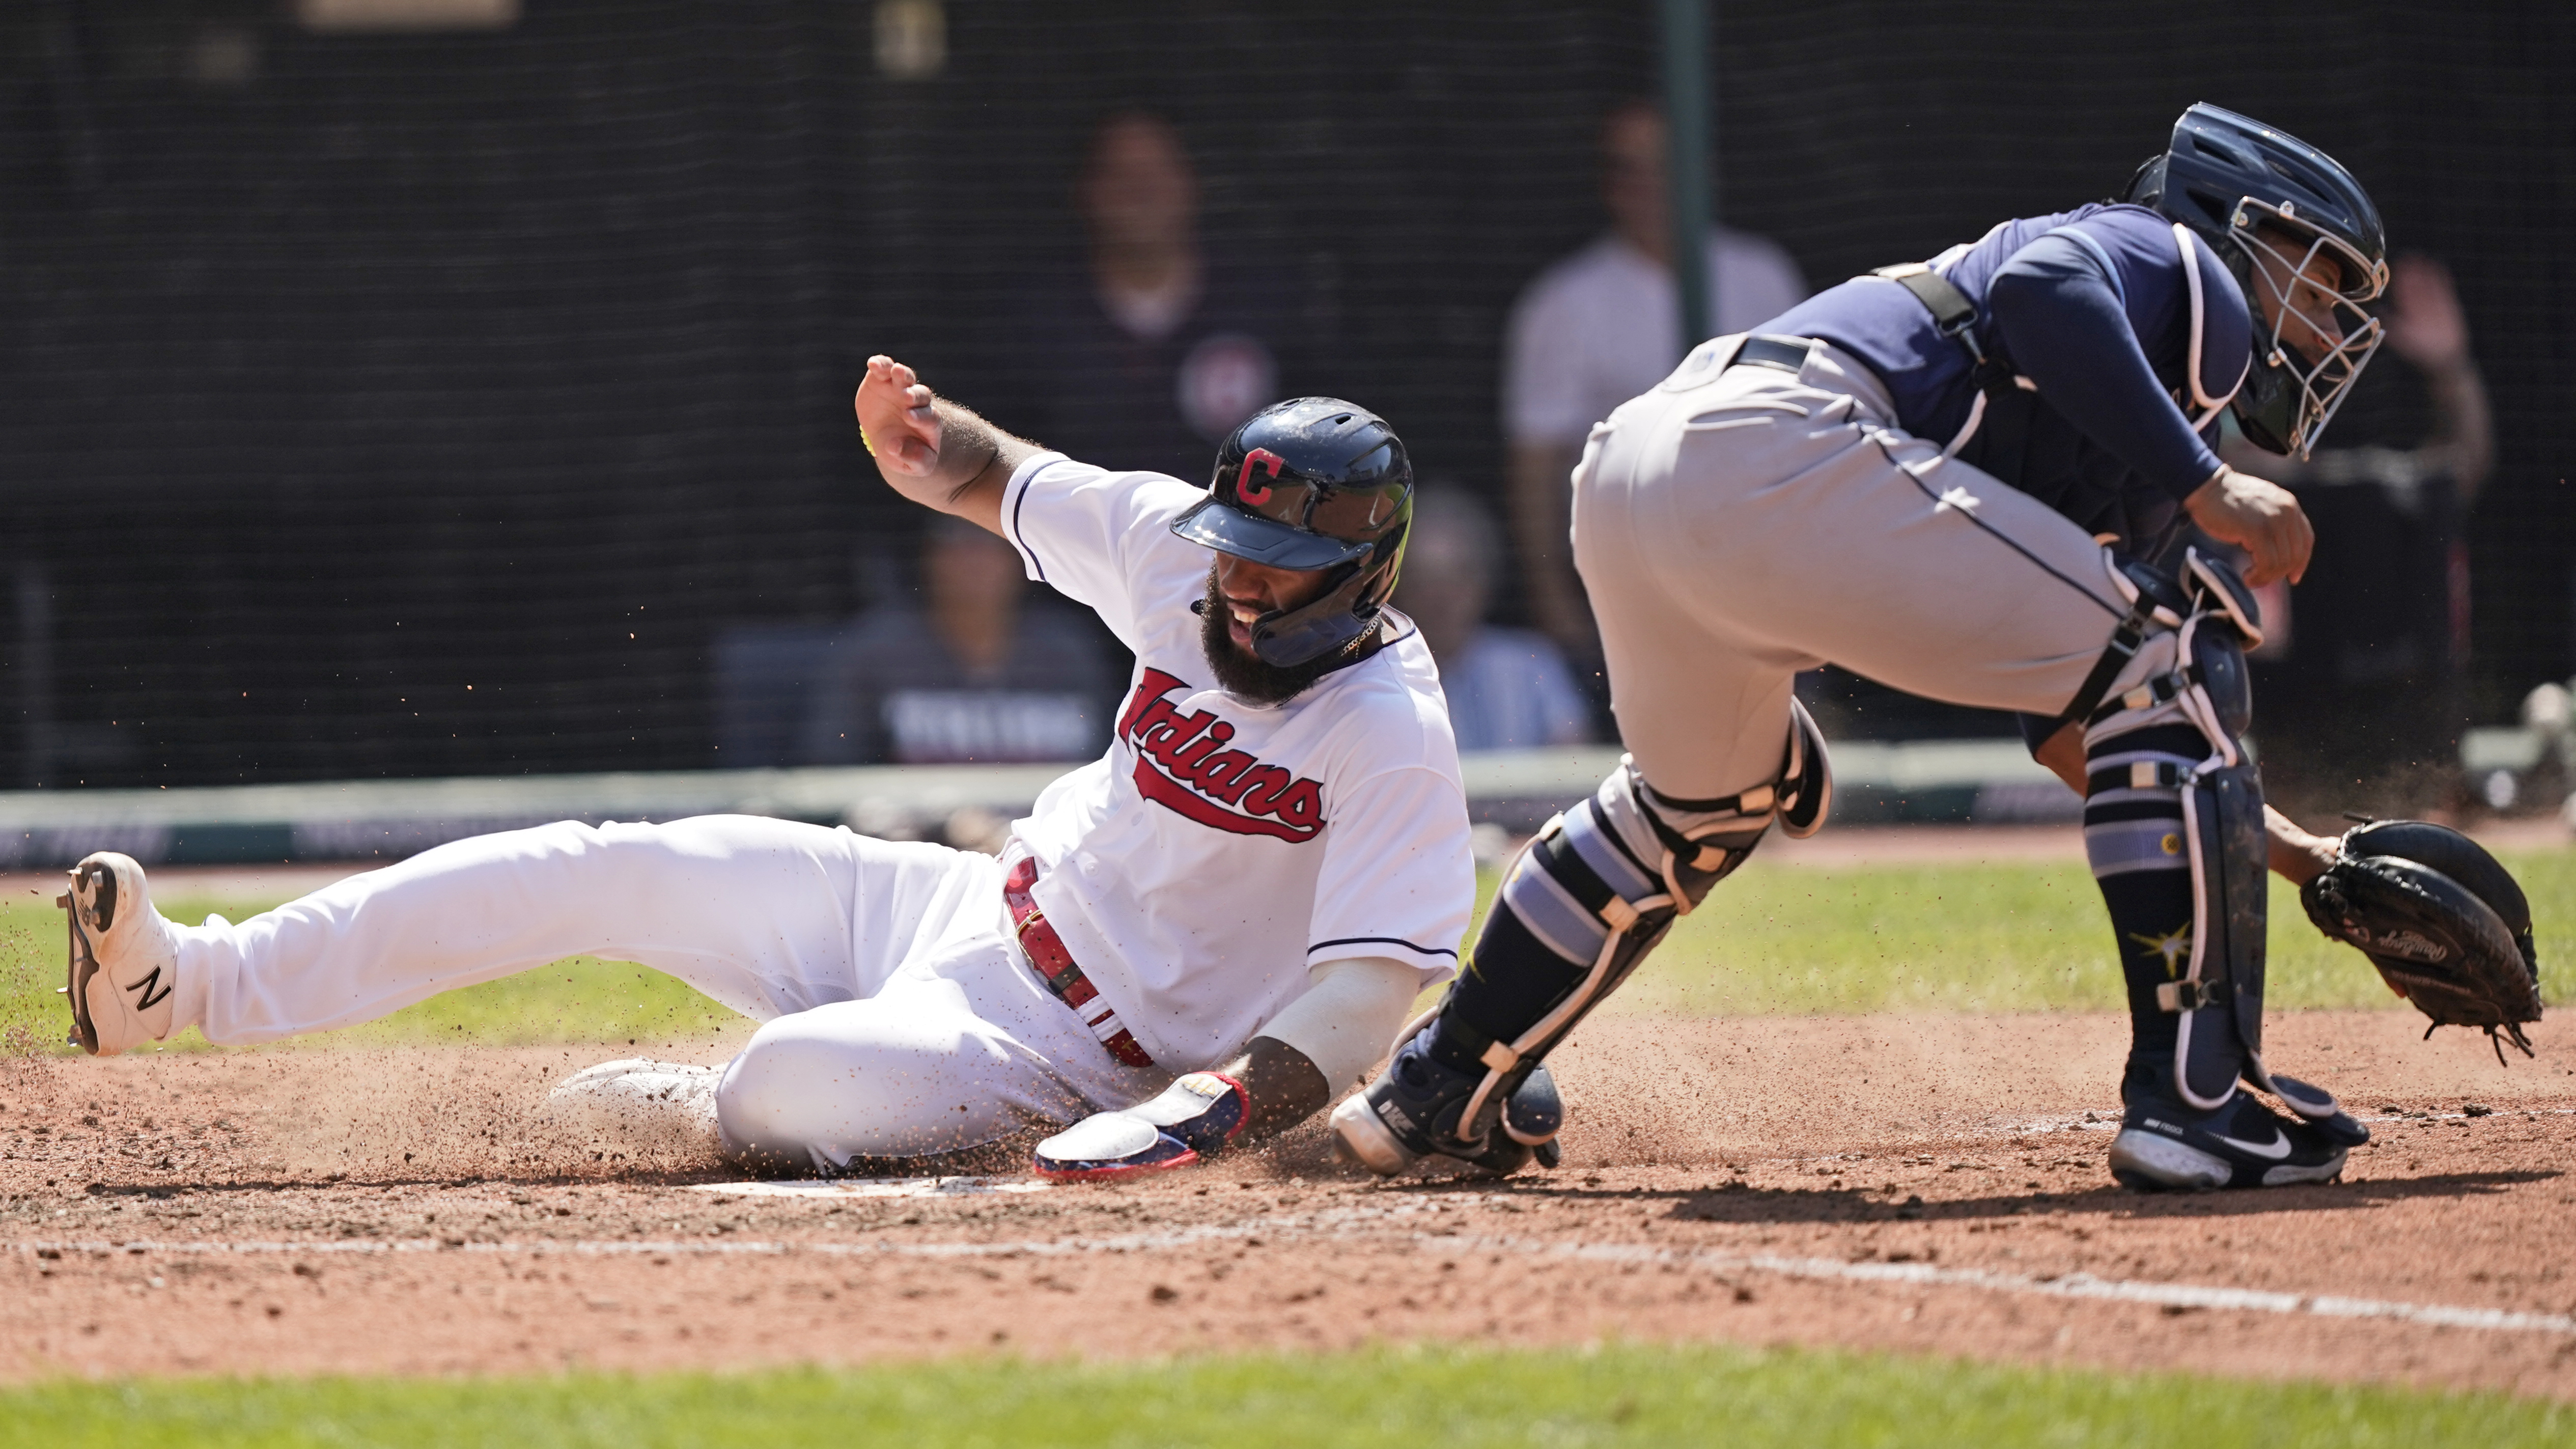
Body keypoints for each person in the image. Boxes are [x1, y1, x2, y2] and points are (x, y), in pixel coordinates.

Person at [58, 359, 1473, 1183]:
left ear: (1362, 574)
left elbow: (1363, 996)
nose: (1239, 587)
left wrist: (1210, 1114)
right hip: (961, 904)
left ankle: (713, 1110)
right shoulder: (1185, 552)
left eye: (1278, 570)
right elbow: (1004, 475)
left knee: (784, 1082)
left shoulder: (1387, 726)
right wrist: (929, 442)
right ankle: (185, 983)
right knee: (609, 860)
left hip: (1068, 1055)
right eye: (1235, 549)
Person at [1337, 104, 2399, 1192]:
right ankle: (2199, 1107)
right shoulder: (2173, 262)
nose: (2324, 325)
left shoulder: (2127, 412)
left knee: (1692, 808)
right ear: (2232, 225)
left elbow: (2084, 729)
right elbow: (2044, 291)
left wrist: (2306, 862)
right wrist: (2207, 481)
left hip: (1643, 467)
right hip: (1785, 445)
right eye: (2316, 283)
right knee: (2166, 648)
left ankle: (1430, 1091)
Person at [1503, 99, 1809, 676]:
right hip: (1623, 590)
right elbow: (1534, 465)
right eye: (1626, 167)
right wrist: (1552, 599)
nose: (1646, 185)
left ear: (1704, 170)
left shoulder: (1765, 276)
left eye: (1663, 165)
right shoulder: (1564, 302)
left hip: (1760, 580)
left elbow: (1808, 431)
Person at [2228, 254, 2495, 813]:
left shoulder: (2406, 497)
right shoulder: (2258, 493)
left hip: (2401, 718)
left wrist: (2450, 369)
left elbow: (2464, 465)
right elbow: (2228, 470)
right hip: (2292, 732)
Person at [1003, 111, 1299, 481]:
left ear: (1191, 182)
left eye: (1158, 172)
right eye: (1120, 174)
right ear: (1086, 190)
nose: (1141, 192)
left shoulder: (1261, 305)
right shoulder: (1036, 320)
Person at [795, 516, 1115, 765]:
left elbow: (1108, 766)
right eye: (957, 541)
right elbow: (833, 770)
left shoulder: (1067, 650)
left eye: (993, 543)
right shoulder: (877, 651)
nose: (976, 559)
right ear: (928, 556)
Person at [1393, 487, 1592, 753]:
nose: (1440, 598)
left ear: (1483, 582)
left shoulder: (1533, 666)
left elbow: (1576, 767)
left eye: (1458, 577)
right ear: (1397, 589)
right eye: (1423, 580)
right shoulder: (1380, 676)